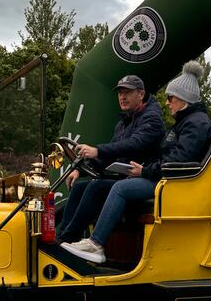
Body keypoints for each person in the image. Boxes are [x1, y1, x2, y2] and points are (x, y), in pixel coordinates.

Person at [60, 61, 211, 263]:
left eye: (171, 98)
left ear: (184, 99)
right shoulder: (185, 123)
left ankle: (95, 244)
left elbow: (176, 161)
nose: (167, 102)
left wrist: (145, 171)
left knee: (120, 188)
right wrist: (82, 169)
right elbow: (168, 158)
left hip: (176, 185)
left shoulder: (194, 123)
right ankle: (63, 238)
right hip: (166, 180)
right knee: (88, 187)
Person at [56, 75, 165, 246]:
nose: (122, 97)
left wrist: (97, 150)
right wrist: (80, 169)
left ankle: (70, 238)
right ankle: (62, 236)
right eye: (120, 93)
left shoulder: (152, 118)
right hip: (128, 177)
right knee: (79, 187)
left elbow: (135, 144)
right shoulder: (124, 123)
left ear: (141, 94)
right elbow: (112, 154)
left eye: (127, 92)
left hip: (147, 177)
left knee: (96, 187)